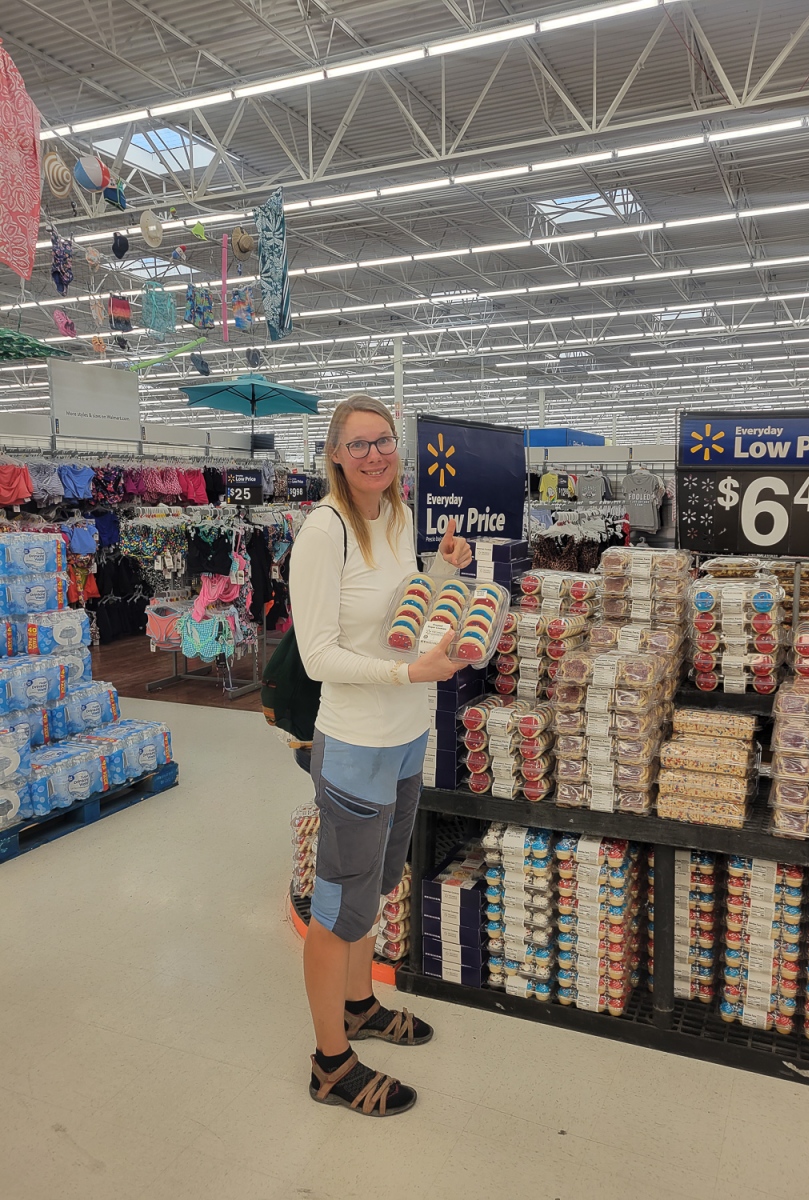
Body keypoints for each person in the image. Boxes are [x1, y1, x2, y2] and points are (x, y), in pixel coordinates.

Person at [289, 394, 473, 1117]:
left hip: (404, 737)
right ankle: (330, 1063)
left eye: (385, 441)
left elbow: (403, 615)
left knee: (378, 882)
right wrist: (406, 674)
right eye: (359, 444)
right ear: (335, 455)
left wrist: (443, 573)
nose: (376, 454)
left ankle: (360, 1003)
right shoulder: (323, 530)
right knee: (339, 902)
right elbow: (317, 656)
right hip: (356, 743)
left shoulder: (398, 519)